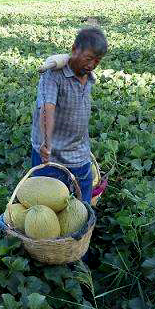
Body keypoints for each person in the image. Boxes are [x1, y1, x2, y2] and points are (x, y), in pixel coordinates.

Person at [30, 26, 107, 202]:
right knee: (47, 203)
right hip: (51, 154)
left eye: (97, 61)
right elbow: (47, 108)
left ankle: (84, 228)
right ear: (74, 50)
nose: (91, 65)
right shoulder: (53, 75)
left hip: (78, 153)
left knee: (81, 204)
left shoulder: (89, 77)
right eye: (88, 58)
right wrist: (46, 143)